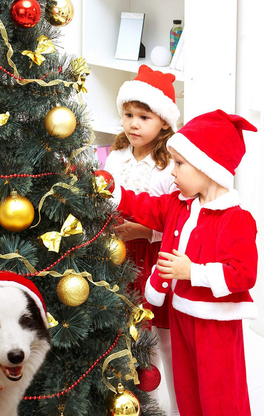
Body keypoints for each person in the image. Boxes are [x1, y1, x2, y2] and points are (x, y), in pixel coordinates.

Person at [117, 109, 258, 415]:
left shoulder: (235, 219)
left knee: (219, 390)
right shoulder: (178, 205)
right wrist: (115, 194)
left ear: (208, 167)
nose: (172, 172)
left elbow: (244, 274)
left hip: (215, 324)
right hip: (181, 314)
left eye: (179, 164)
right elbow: (145, 207)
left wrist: (192, 271)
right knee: (186, 386)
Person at [104, 64, 180, 413]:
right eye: (128, 114)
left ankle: (153, 400)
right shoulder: (116, 157)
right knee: (114, 324)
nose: (133, 124)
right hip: (111, 254)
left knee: (147, 332)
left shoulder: (168, 168)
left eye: (144, 117)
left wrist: (145, 231)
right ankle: (117, 392)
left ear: (163, 122)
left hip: (148, 256)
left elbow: (176, 220)